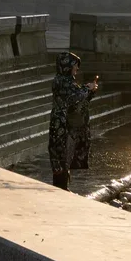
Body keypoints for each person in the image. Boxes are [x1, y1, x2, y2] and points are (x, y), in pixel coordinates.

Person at [48, 51, 99, 190]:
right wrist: (87, 88)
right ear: (67, 66)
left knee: (67, 154)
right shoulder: (60, 81)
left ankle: (63, 186)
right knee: (61, 153)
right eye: (75, 65)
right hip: (61, 124)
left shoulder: (69, 81)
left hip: (68, 124)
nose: (77, 68)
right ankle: (60, 187)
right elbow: (73, 97)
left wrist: (90, 91)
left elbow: (80, 100)